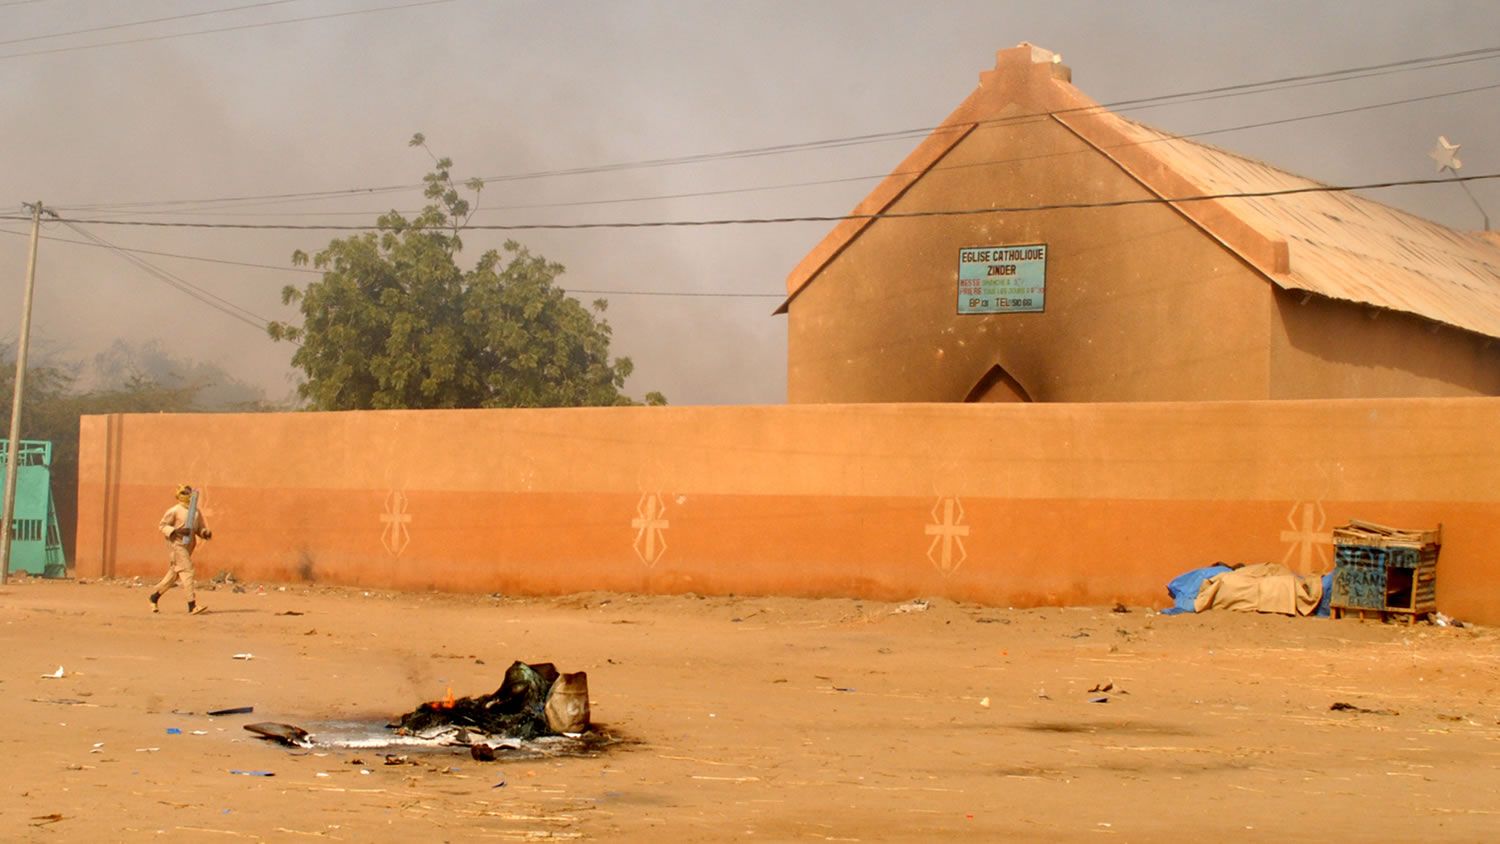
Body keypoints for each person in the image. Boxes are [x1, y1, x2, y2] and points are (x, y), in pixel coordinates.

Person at [148, 484, 213, 615]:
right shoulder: (175, 510)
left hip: (188, 546)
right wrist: (177, 531)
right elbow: (163, 526)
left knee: (174, 574)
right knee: (188, 571)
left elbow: (199, 528)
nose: (187, 495)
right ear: (178, 496)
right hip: (176, 545)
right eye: (184, 493)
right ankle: (192, 605)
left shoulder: (195, 512)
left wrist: (205, 533)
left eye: (188, 493)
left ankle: (154, 597)